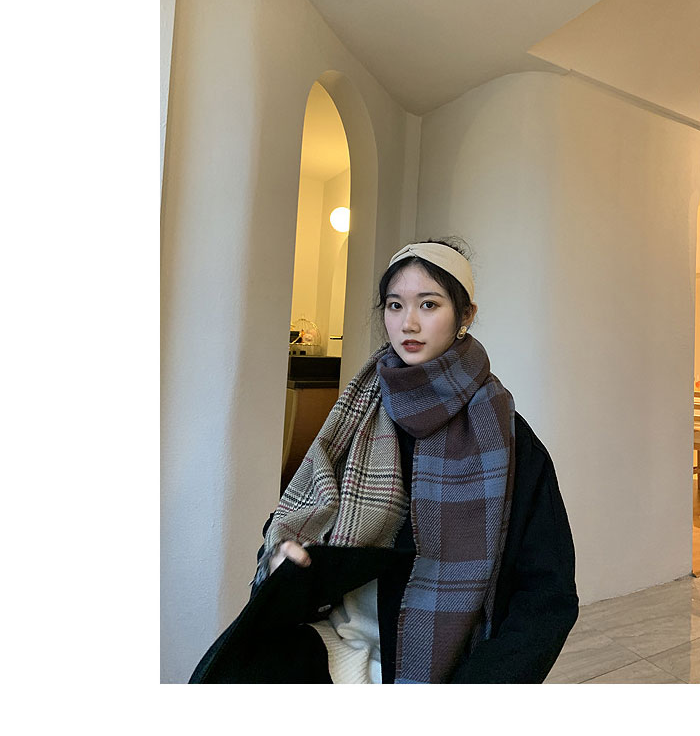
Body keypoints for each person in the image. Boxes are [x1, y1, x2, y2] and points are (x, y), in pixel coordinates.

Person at [189, 239, 578, 684]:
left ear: (465, 315)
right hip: (330, 642)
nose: (408, 323)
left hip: (442, 668)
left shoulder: (505, 438)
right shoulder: (358, 414)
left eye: (428, 304)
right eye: (395, 305)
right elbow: (296, 518)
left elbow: (547, 595)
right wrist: (285, 562)